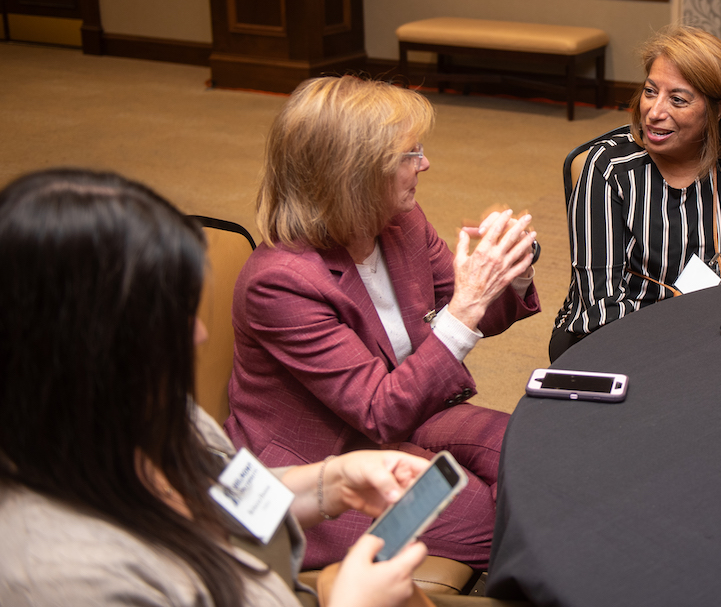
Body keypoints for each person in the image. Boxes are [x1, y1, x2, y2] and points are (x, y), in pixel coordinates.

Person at [0, 168, 431, 607]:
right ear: (86, 343)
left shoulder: (148, 410)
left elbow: (225, 492)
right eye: (169, 317)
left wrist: (331, 483)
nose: (200, 334)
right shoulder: (61, 577)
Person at [225, 76, 540, 571]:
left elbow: (465, 312)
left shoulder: (398, 223)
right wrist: (467, 305)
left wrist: (511, 276)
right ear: (353, 174)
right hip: (319, 465)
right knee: (487, 519)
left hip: (415, 414)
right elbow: (379, 412)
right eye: (409, 153)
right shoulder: (280, 282)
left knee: (535, 454)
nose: (425, 163)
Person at [550, 25, 721, 360]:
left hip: (711, 339)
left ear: (716, 110)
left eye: (678, 99)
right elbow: (600, 308)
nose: (654, 112)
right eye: (650, 91)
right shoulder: (609, 168)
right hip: (610, 340)